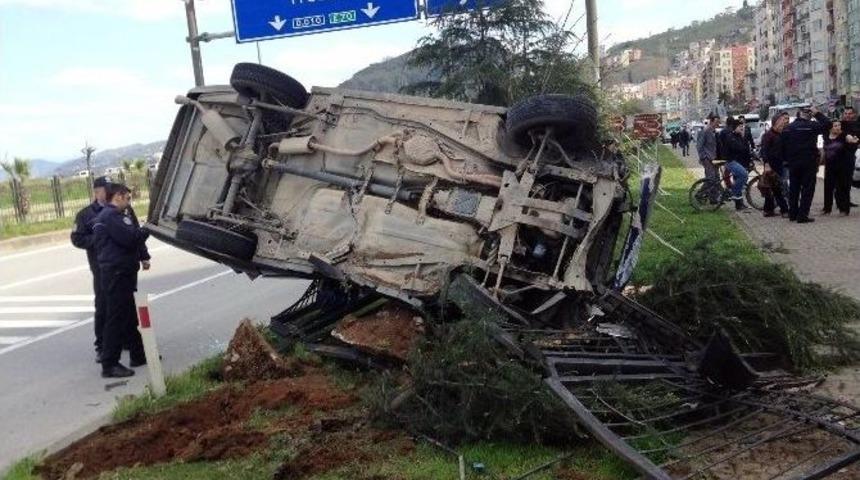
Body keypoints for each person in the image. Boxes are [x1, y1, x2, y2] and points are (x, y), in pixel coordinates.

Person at [93, 183, 151, 378]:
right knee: (116, 318)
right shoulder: (112, 216)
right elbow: (131, 238)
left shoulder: (111, 216)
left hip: (120, 272)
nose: (128, 202)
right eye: (127, 198)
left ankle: (138, 354)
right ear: (117, 196)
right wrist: (149, 228)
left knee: (128, 317)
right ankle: (109, 364)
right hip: (117, 274)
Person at [70, 176, 111, 362]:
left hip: (121, 265)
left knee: (124, 304)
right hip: (101, 267)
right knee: (103, 305)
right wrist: (98, 239)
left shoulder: (120, 208)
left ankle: (127, 339)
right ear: (96, 192)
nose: (108, 192)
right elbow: (77, 238)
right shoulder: (85, 214)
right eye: (105, 189)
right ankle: (101, 346)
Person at [780, 106, 830, 223]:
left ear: (798, 114)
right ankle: (802, 215)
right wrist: (817, 113)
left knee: (794, 188)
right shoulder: (812, 126)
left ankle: (793, 214)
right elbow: (828, 124)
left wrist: (787, 160)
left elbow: (782, 145)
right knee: (807, 189)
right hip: (808, 162)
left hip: (793, 162)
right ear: (810, 114)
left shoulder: (788, 128)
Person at [822, 121, 859, 216]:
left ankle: (844, 209)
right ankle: (827, 209)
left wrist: (853, 140)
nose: (838, 127)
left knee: (842, 188)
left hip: (842, 167)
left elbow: (849, 138)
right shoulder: (826, 137)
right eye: (835, 126)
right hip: (830, 167)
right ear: (830, 128)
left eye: (839, 125)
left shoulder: (843, 136)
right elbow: (824, 151)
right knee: (828, 188)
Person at [759, 112, 790, 217]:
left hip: (779, 164)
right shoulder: (768, 135)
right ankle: (784, 210)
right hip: (771, 165)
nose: (783, 123)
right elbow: (764, 151)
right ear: (775, 122)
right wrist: (766, 164)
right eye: (781, 121)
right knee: (777, 189)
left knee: (772, 187)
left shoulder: (781, 134)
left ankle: (768, 210)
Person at [720, 117, 752, 210]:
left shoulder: (738, 136)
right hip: (730, 161)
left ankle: (739, 205)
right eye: (740, 126)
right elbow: (739, 148)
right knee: (744, 175)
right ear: (735, 127)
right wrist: (743, 138)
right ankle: (732, 191)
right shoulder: (731, 137)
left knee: (739, 181)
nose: (742, 128)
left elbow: (745, 148)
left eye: (742, 126)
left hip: (737, 161)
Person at [696, 115, 720, 184]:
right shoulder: (704, 131)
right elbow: (699, 146)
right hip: (707, 158)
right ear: (711, 122)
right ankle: (704, 190)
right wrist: (704, 157)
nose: (718, 124)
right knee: (710, 177)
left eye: (718, 122)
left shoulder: (714, 132)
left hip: (714, 158)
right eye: (716, 122)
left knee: (716, 176)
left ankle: (717, 189)